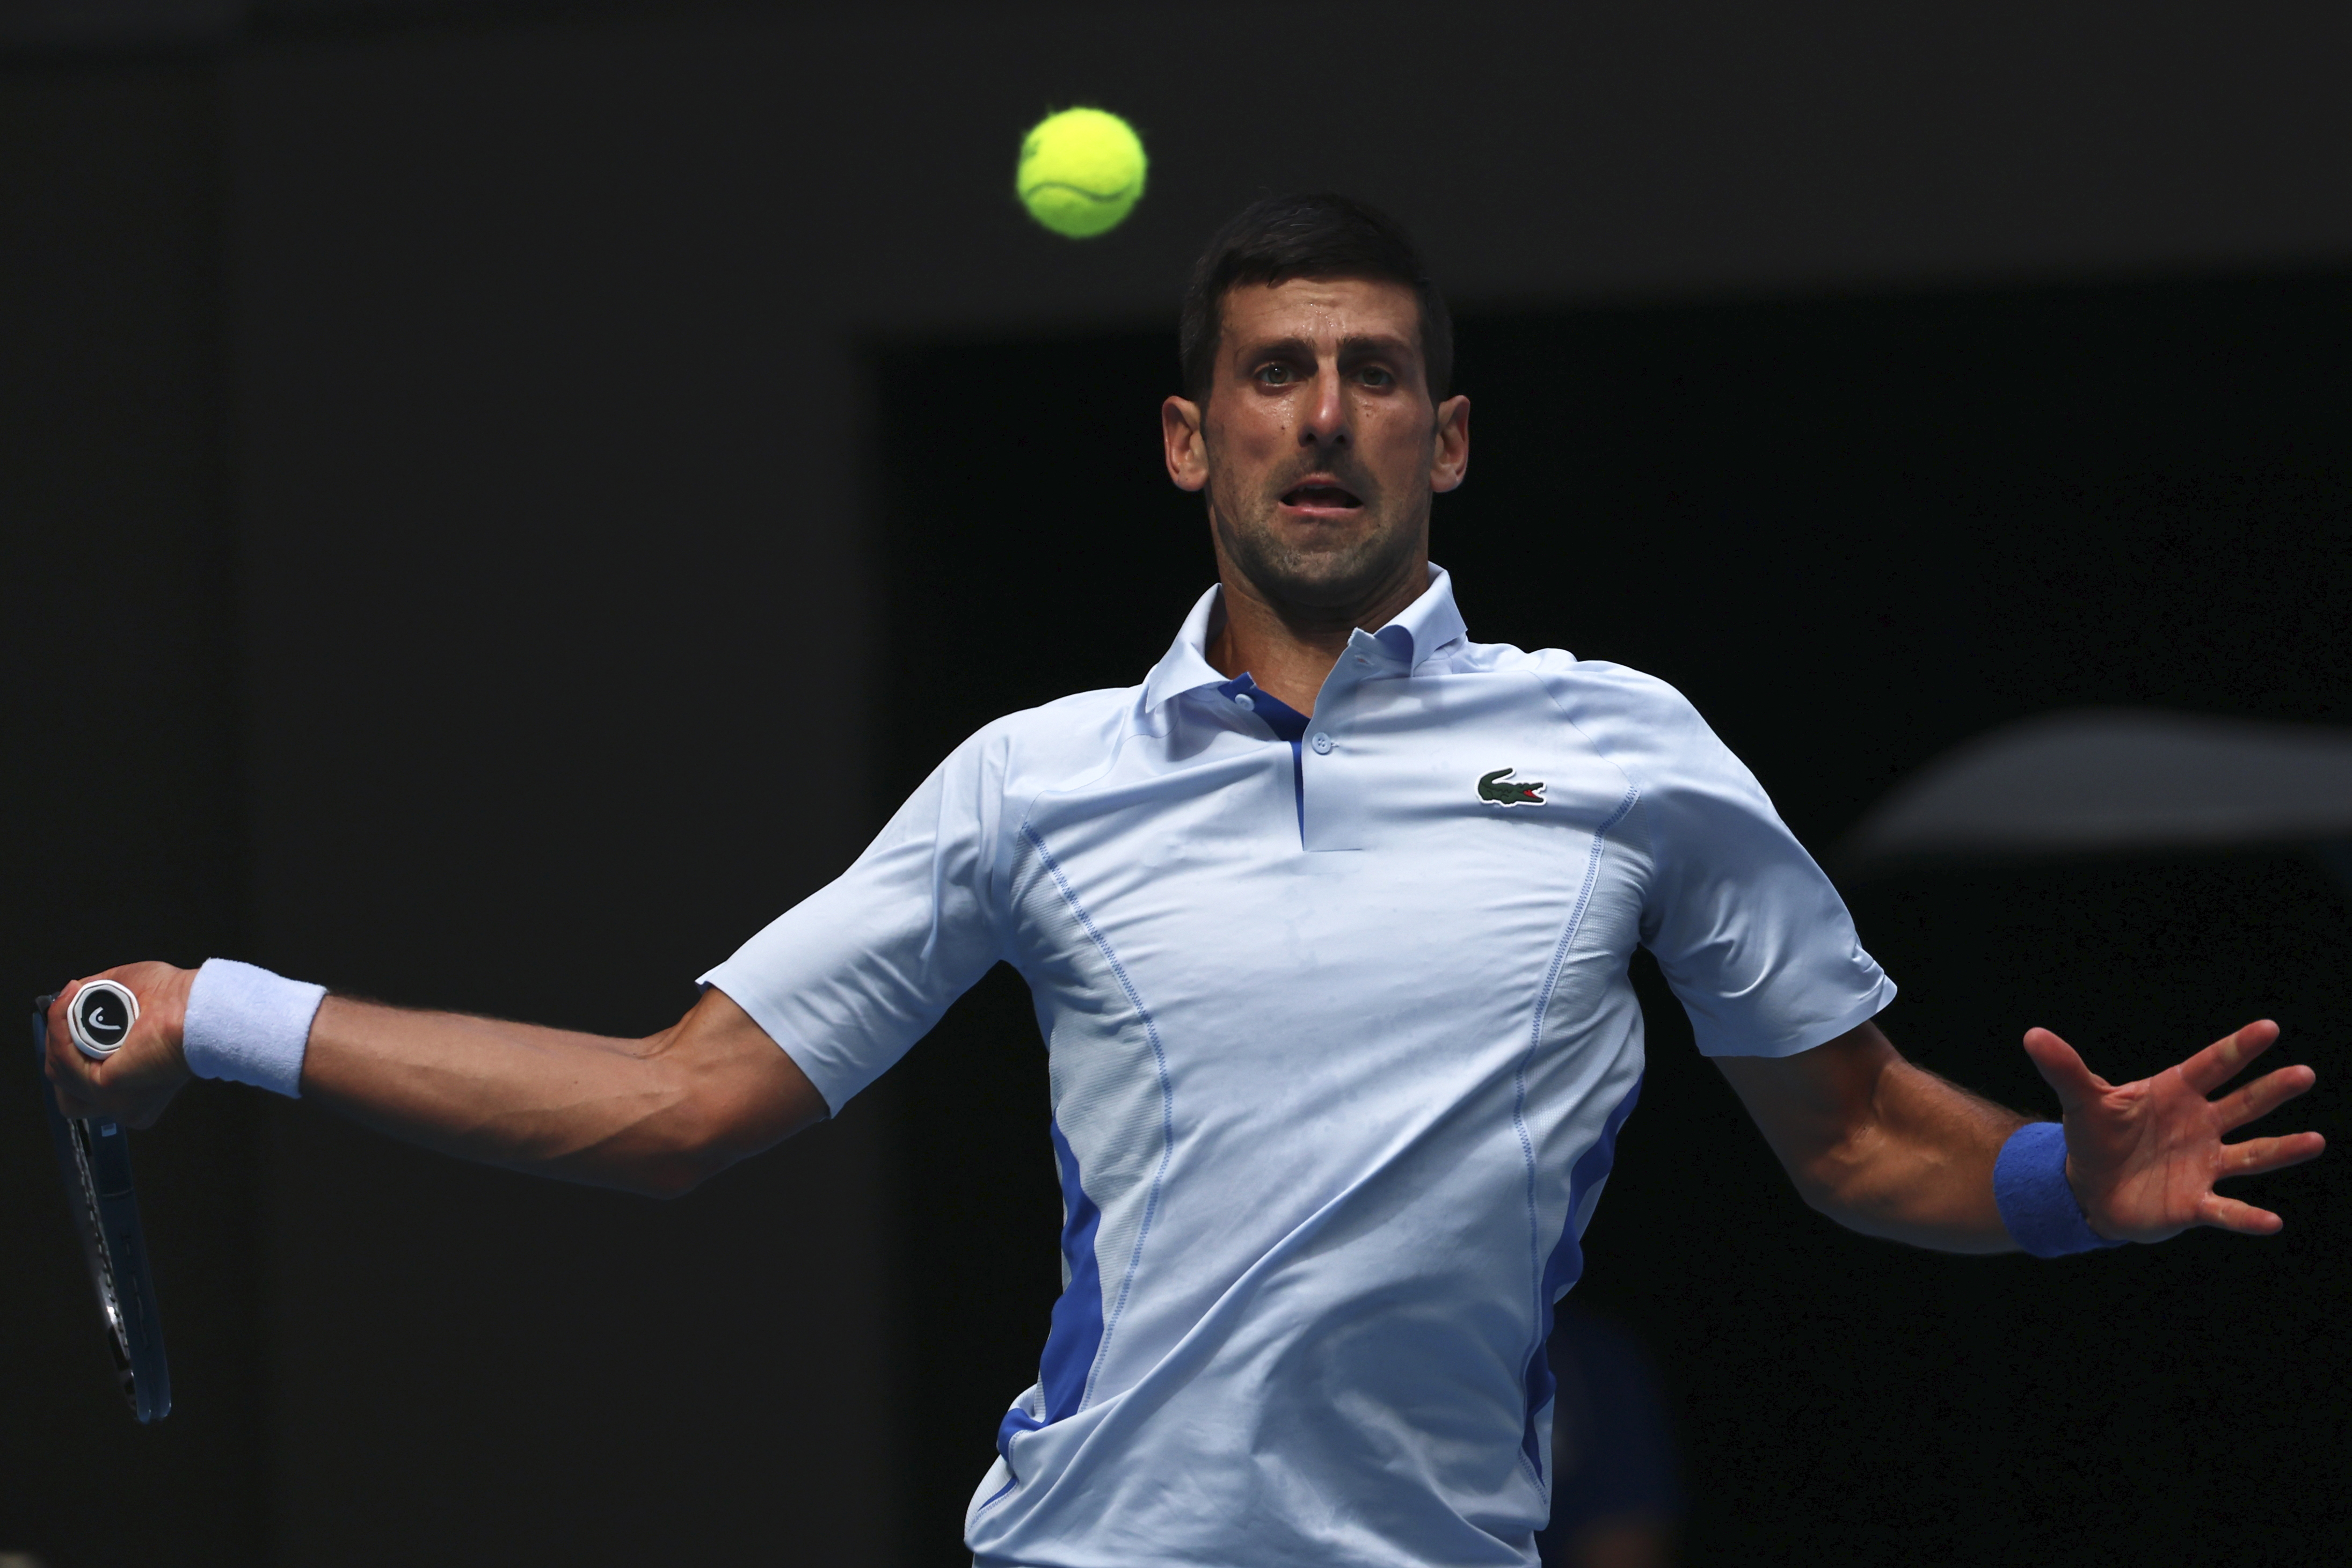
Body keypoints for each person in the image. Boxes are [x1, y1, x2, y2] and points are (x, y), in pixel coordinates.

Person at [46, 194, 2323, 1568]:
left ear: (1443, 438)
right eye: (1269, 375)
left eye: (1367, 374)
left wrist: (2054, 1183)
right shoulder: (1032, 787)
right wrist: (225, 1009)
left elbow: (1853, 1135)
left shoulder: (1626, 746)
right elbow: (676, 1103)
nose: (1318, 413)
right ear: (1189, 438)